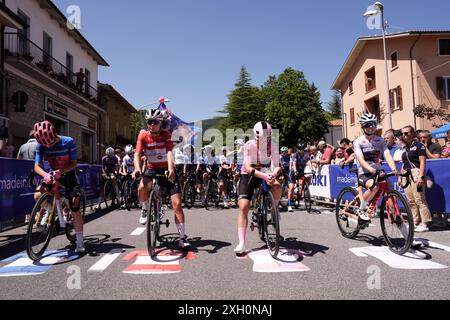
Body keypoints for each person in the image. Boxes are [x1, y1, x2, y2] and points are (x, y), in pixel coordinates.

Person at [132, 108, 190, 249]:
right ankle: (145, 208)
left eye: (155, 122)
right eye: (149, 122)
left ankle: (182, 238)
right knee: (141, 187)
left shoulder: (166, 135)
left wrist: (171, 169)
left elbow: (169, 152)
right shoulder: (143, 135)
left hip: (166, 169)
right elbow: (137, 155)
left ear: (161, 122)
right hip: (152, 169)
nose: (151, 124)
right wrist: (137, 169)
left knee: (177, 204)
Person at [32, 121, 85, 253]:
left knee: (74, 206)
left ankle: (79, 241)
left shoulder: (68, 142)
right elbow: (37, 166)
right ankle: (51, 208)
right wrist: (45, 175)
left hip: (68, 174)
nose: (49, 146)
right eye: (46, 144)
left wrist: (61, 171)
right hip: (51, 175)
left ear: (55, 133)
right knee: (38, 195)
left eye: (51, 142)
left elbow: (73, 163)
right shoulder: (41, 144)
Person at [234, 121, 282, 256]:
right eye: (260, 139)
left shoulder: (272, 146)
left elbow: (277, 165)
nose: (262, 142)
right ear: (255, 136)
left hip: (266, 173)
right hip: (249, 174)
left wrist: (273, 173)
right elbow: (248, 167)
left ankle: (273, 209)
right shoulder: (248, 145)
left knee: (277, 187)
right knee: (243, 206)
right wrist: (264, 175)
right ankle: (242, 243)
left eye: (266, 139)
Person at [353, 113, 398, 222]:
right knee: (374, 187)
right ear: (363, 126)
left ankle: (395, 214)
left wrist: (394, 169)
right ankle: (361, 209)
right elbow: (361, 159)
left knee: (390, 188)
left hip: (377, 171)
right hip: (365, 172)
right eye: (368, 125)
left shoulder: (380, 140)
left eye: (373, 124)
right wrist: (371, 169)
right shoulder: (358, 141)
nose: (371, 127)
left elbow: (387, 154)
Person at [398, 125, 433, 233]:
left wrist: (421, 176)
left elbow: (423, 162)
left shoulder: (419, 145)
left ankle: (425, 223)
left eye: (407, 133)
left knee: (420, 199)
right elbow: (404, 163)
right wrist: (400, 176)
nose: (404, 135)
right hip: (406, 174)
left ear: (413, 134)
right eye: (403, 134)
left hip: (416, 173)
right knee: (411, 200)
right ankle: (415, 220)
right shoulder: (405, 147)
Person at [288, 143, 310, 212]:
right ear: (298, 149)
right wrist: (295, 170)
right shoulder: (295, 155)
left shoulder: (306, 155)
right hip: (293, 173)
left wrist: (312, 169)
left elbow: (309, 162)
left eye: (303, 149)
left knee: (306, 180)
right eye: (300, 149)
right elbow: (294, 163)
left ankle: (301, 194)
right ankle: (289, 205)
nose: (301, 150)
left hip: (300, 172)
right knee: (291, 188)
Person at [119, 145, 135, 209]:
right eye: (128, 153)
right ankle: (123, 197)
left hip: (134, 171)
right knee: (122, 180)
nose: (129, 154)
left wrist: (134, 172)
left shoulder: (135, 157)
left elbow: (137, 165)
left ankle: (140, 202)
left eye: (130, 153)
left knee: (136, 183)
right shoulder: (125, 158)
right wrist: (125, 172)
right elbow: (124, 166)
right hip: (128, 172)